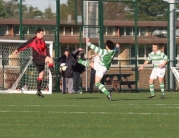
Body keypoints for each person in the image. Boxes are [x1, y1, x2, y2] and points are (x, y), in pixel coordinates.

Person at [13, 28, 57, 98]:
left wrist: (48, 57)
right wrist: (18, 50)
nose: (43, 34)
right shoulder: (33, 40)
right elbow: (25, 44)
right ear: (37, 34)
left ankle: (38, 91)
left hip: (41, 57)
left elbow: (46, 50)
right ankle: (53, 74)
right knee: (50, 60)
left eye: (43, 33)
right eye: (42, 33)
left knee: (41, 74)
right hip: (37, 57)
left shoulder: (43, 41)